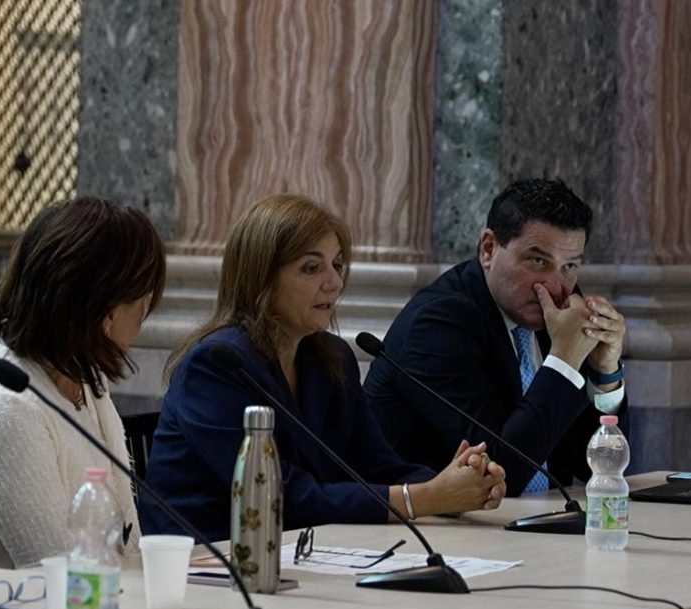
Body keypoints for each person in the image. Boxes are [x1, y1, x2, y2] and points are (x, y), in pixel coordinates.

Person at [142, 194, 505, 541]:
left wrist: (461, 483)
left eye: (337, 265)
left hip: (304, 550)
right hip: (208, 561)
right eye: (311, 268)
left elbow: (376, 467)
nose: (334, 283)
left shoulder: (332, 359)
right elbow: (279, 496)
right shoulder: (217, 365)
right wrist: (424, 498)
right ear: (261, 277)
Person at [0, 197, 166, 578]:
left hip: (57, 604)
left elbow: (123, 538)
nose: (145, 314)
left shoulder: (79, 370)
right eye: (142, 297)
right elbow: (57, 568)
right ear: (104, 310)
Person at [364, 178, 628, 496]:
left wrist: (605, 374)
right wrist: (565, 360)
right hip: (429, 521)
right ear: (488, 249)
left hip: (536, 515)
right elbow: (499, 474)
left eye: (569, 266)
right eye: (538, 261)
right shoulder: (437, 324)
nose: (556, 286)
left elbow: (600, 467)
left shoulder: (557, 309)